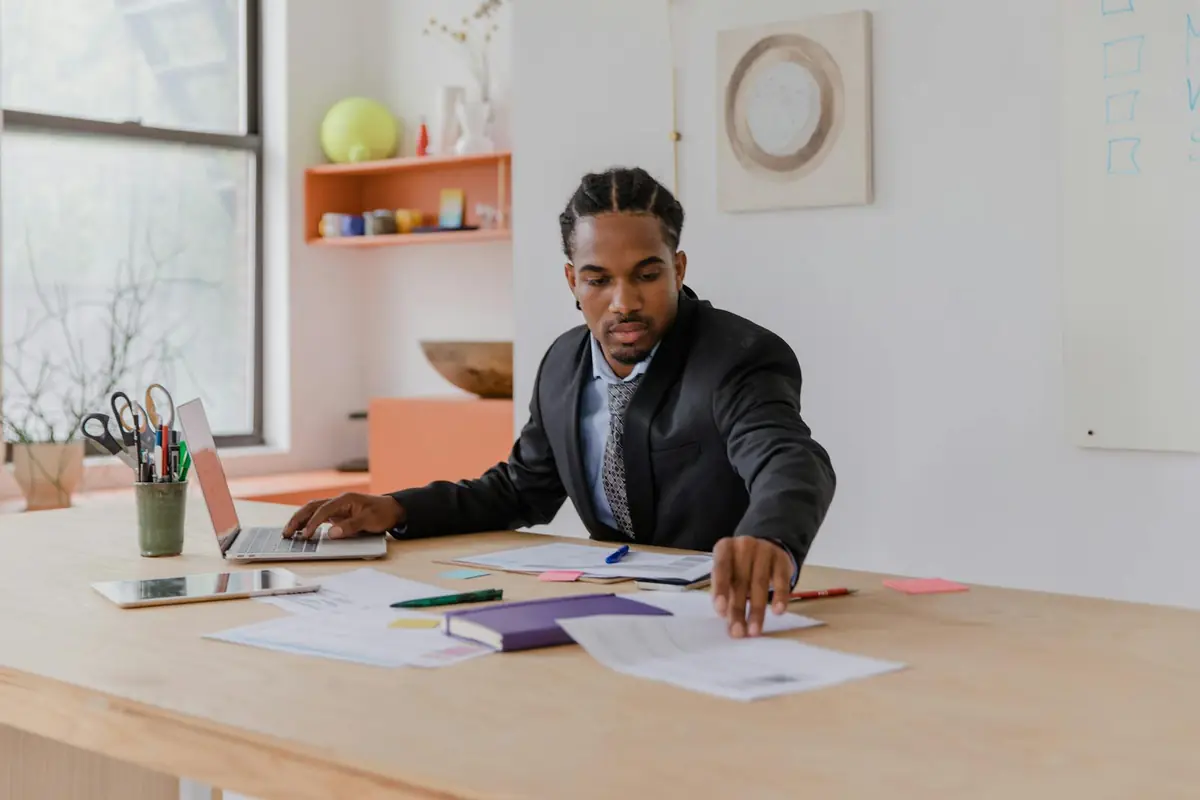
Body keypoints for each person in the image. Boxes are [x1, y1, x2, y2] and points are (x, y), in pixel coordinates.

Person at [284, 167, 836, 638]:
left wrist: (770, 536)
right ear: (573, 280)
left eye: (647, 275)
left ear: (679, 269)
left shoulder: (736, 357)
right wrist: (397, 509)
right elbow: (521, 489)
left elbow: (789, 459)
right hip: (607, 615)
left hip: (716, 616)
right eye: (599, 280)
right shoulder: (561, 364)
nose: (624, 302)